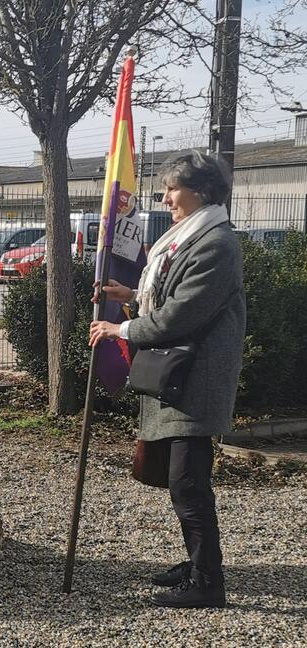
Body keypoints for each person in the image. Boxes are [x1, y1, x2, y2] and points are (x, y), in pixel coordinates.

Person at [89, 151, 246, 609]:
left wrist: (123, 328)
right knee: (181, 479)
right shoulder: (191, 237)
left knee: (188, 482)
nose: (164, 197)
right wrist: (133, 294)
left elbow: (183, 311)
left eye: (172, 188)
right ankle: (196, 562)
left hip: (196, 378)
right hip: (179, 374)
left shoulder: (216, 243)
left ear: (202, 191)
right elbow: (170, 293)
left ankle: (207, 581)